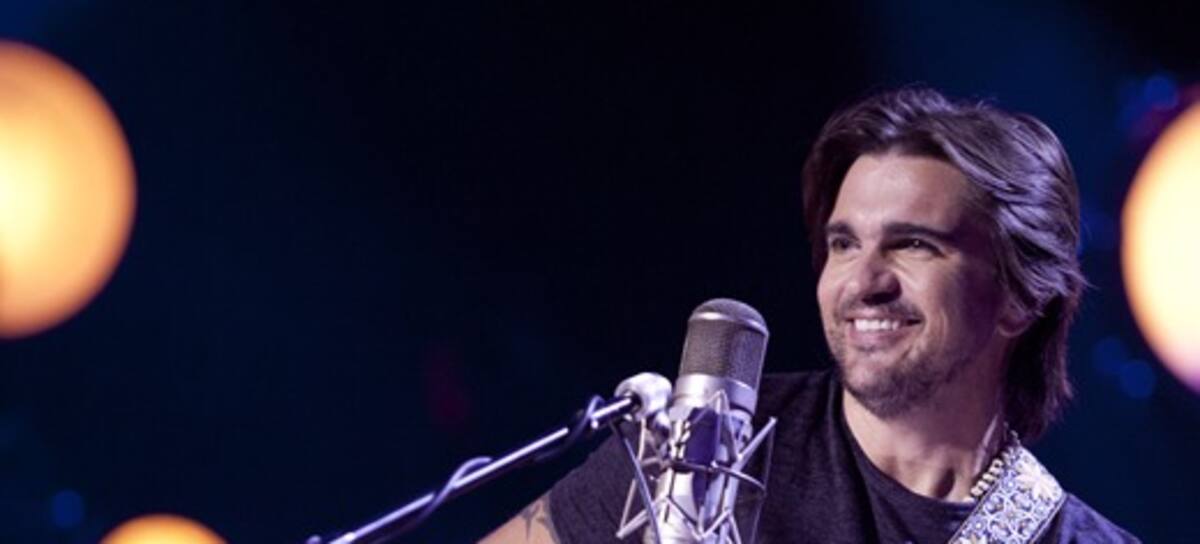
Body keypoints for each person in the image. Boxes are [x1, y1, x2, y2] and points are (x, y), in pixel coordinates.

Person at [482, 87, 1138, 543]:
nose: (862, 282)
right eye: (843, 244)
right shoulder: (696, 450)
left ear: (1021, 296)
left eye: (914, 244)